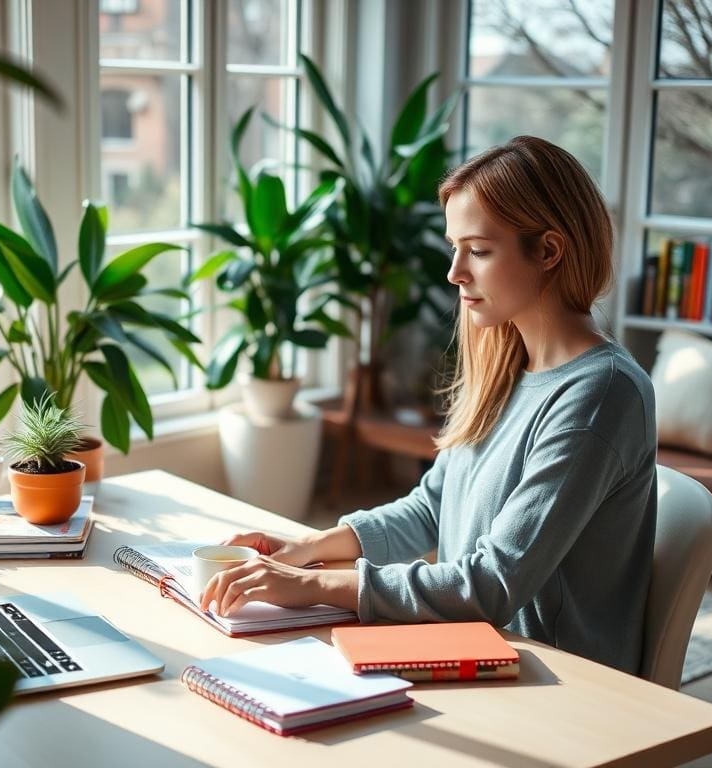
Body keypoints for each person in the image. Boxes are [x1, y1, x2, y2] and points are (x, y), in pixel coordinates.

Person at [200, 135, 657, 674]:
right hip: (478, 649)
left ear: (550, 251)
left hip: (555, 680)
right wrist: (307, 547)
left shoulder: (600, 395)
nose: (455, 272)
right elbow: (432, 506)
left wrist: (312, 584)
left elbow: (490, 585)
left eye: (479, 251)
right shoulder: (508, 367)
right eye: (454, 248)